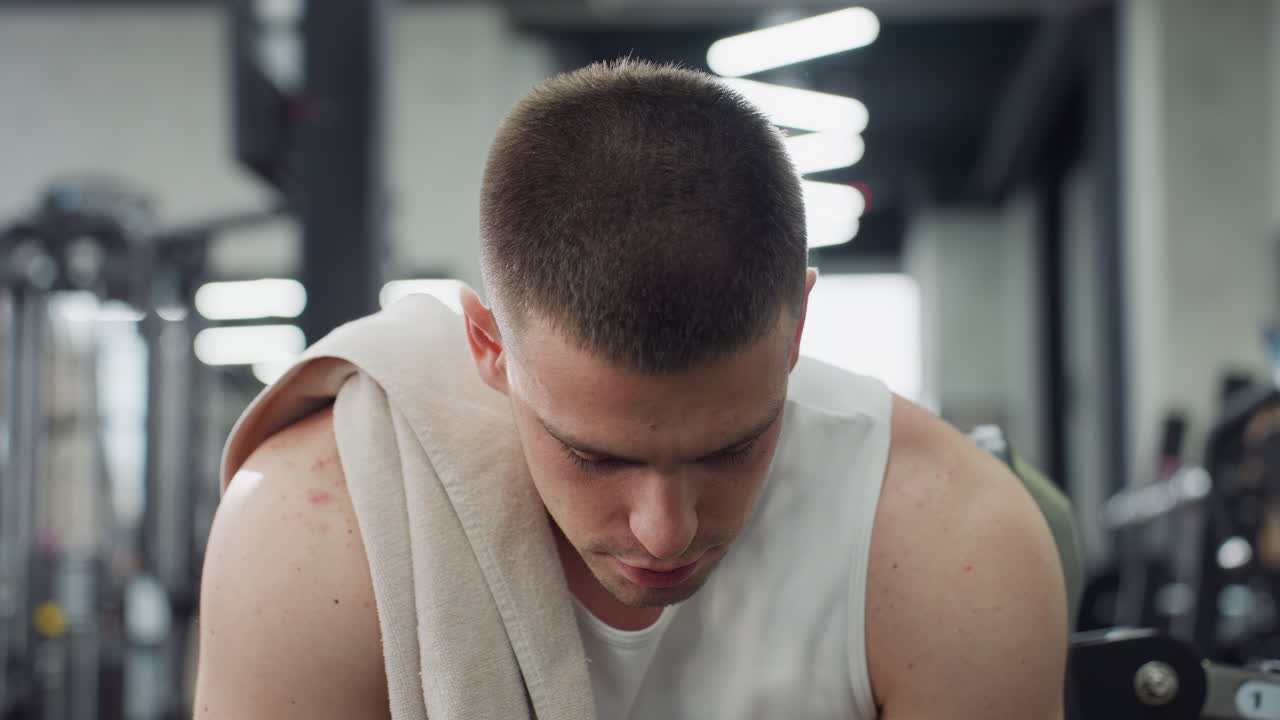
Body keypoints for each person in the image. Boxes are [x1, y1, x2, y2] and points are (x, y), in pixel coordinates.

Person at [195, 59, 1069, 719]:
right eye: (595, 455)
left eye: (733, 446)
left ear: (800, 325)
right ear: (487, 345)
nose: (667, 530)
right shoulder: (315, 527)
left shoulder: (949, 539)